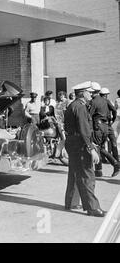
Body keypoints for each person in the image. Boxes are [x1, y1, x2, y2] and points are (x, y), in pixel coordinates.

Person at [64, 81, 105, 217]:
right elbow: (84, 130)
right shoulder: (80, 107)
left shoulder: (73, 105)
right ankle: (92, 208)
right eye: (90, 92)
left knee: (75, 172)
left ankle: (71, 202)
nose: (91, 95)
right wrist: (91, 148)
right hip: (80, 144)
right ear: (83, 93)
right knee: (87, 175)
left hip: (72, 142)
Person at [89, 85, 118, 177]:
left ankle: (114, 164)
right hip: (105, 126)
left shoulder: (93, 102)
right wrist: (112, 121)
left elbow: (89, 116)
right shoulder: (105, 100)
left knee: (98, 147)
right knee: (101, 147)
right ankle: (101, 170)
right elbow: (114, 110)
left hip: (98, 126)